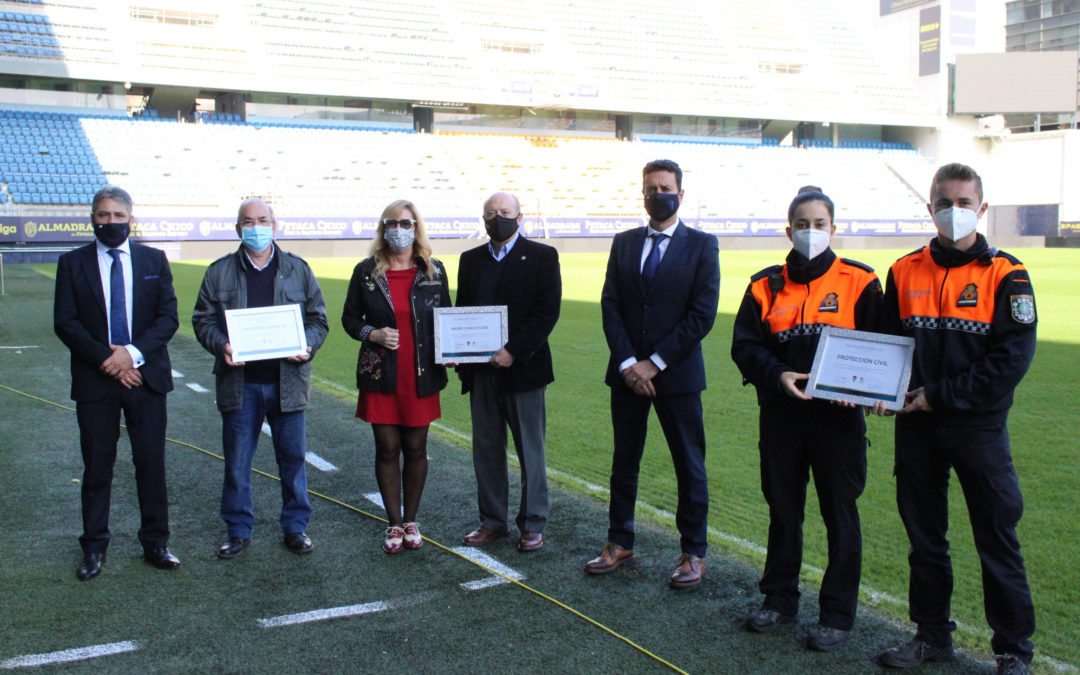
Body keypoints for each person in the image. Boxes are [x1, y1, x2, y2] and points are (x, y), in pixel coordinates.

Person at [875, 163, 1037, 675]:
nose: (954, 211)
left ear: (982, 209)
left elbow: (1009, 363)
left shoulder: (1007, 274)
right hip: (917, 429)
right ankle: (931, 637)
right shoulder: (903, 270)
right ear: (930, 208)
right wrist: (876, 387)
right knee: (925, 541)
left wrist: (935, 396)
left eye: (965, 202)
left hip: (978, 429)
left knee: (996, 539)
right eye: (944, 201)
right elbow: (887, 347)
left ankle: (1012, 650)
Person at [731, 187, 882, 651]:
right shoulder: (763, 284)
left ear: (834, 229)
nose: (810, 232)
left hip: (839, 423)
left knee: (840, 515)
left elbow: (883, 347)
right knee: (783, 511)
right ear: (788, 229)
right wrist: (776, 375)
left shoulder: (862, 281)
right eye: (802, 224)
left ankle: (836, 615)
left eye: (819, 224)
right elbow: (745, 346)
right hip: (781, 418)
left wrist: (857, 389)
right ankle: (779, 599)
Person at [586, 159, 720, 589]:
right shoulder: (623, 242)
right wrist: (628, 363)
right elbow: (610, 306)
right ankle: (619, 541)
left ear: (681, 194)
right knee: (624, 461)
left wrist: (655, 362)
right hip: (626, 376)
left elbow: (702, 315)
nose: (657, 193)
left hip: (677, 377)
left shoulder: (703, 245)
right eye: (650, 187)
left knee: (689, 465)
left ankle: (693, 552)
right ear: (642, 193)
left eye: (665, 187)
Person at [53, 185, 180, 580]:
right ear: (93, 218)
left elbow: (167, 318)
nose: (111, 223)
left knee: (150, 464)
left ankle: (156, 543)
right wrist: (110, 360)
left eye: (118, 216)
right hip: (97, 382)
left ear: (130, 218)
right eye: (103, 216)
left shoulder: (153, 259)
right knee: (97, 467)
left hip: (145, 377)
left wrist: (132, 354)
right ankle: (93, 548)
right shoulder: (72, 263)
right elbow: (66, 323)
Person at [192, 198, 328, 559]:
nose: (256, 227)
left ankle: (295, 528)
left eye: (263, 220)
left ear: (275, 225)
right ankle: (238, 530)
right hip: (241, 384)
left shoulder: (298, 269)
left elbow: (318, 319)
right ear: (238, 229)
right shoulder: (218, 272)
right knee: (237, 461)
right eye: (248, 221)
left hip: (289, 382)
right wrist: (221, 344)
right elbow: (202, 319)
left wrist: (308, 346)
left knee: (293, 459)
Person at [342, 200, 451, 553]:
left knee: (416, 448)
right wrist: (371, 334)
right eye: (392, 223)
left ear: (416, 228)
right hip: (381, 375)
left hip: (421, 376)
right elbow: (349, 320)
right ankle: (392, 523)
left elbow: (447, 318)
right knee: (387, 448)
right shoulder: (365, 272)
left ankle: (411, 520)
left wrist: (454, 351)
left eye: (406, 223)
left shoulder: (434, 271)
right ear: (383, 228)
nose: (399, 229)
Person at [456, 191, 561, 553]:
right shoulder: (470, 260)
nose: (496, 218)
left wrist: (512, 351)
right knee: (486, 449)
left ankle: (532, 524)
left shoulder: (543, 257)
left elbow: (547, 313)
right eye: (490, 213)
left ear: (520, 217)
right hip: (482, 372)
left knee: (530, 451)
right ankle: (492, 521)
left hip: (524, 371)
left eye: (504, 212)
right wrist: (456, 351)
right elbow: (462, 313)